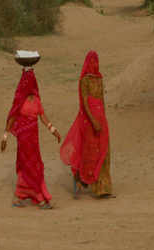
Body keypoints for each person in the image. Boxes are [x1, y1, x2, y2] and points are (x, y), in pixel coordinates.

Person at [1, 68, 61, 209]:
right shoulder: (19, 100)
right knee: (32, 167)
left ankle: (19, 195)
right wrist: (5, 137)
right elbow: (12, 118)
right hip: (24, 140)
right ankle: (40, 198)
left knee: (34, 166)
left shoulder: (36, 100)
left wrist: (54, 130)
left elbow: (43, 117)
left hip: (34, 141)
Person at [60, 51, 114, 199]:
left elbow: (102, 100)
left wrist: (103, 119)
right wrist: (93, 120)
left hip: (101, 118)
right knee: (88, 151)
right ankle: (79, 180)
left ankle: (103, 188)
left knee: (103, 151)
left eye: (96, 61)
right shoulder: (85, 80)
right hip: (88, 120)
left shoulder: (99, 79)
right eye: (92, 61)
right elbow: (84, 102)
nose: (94, 64)